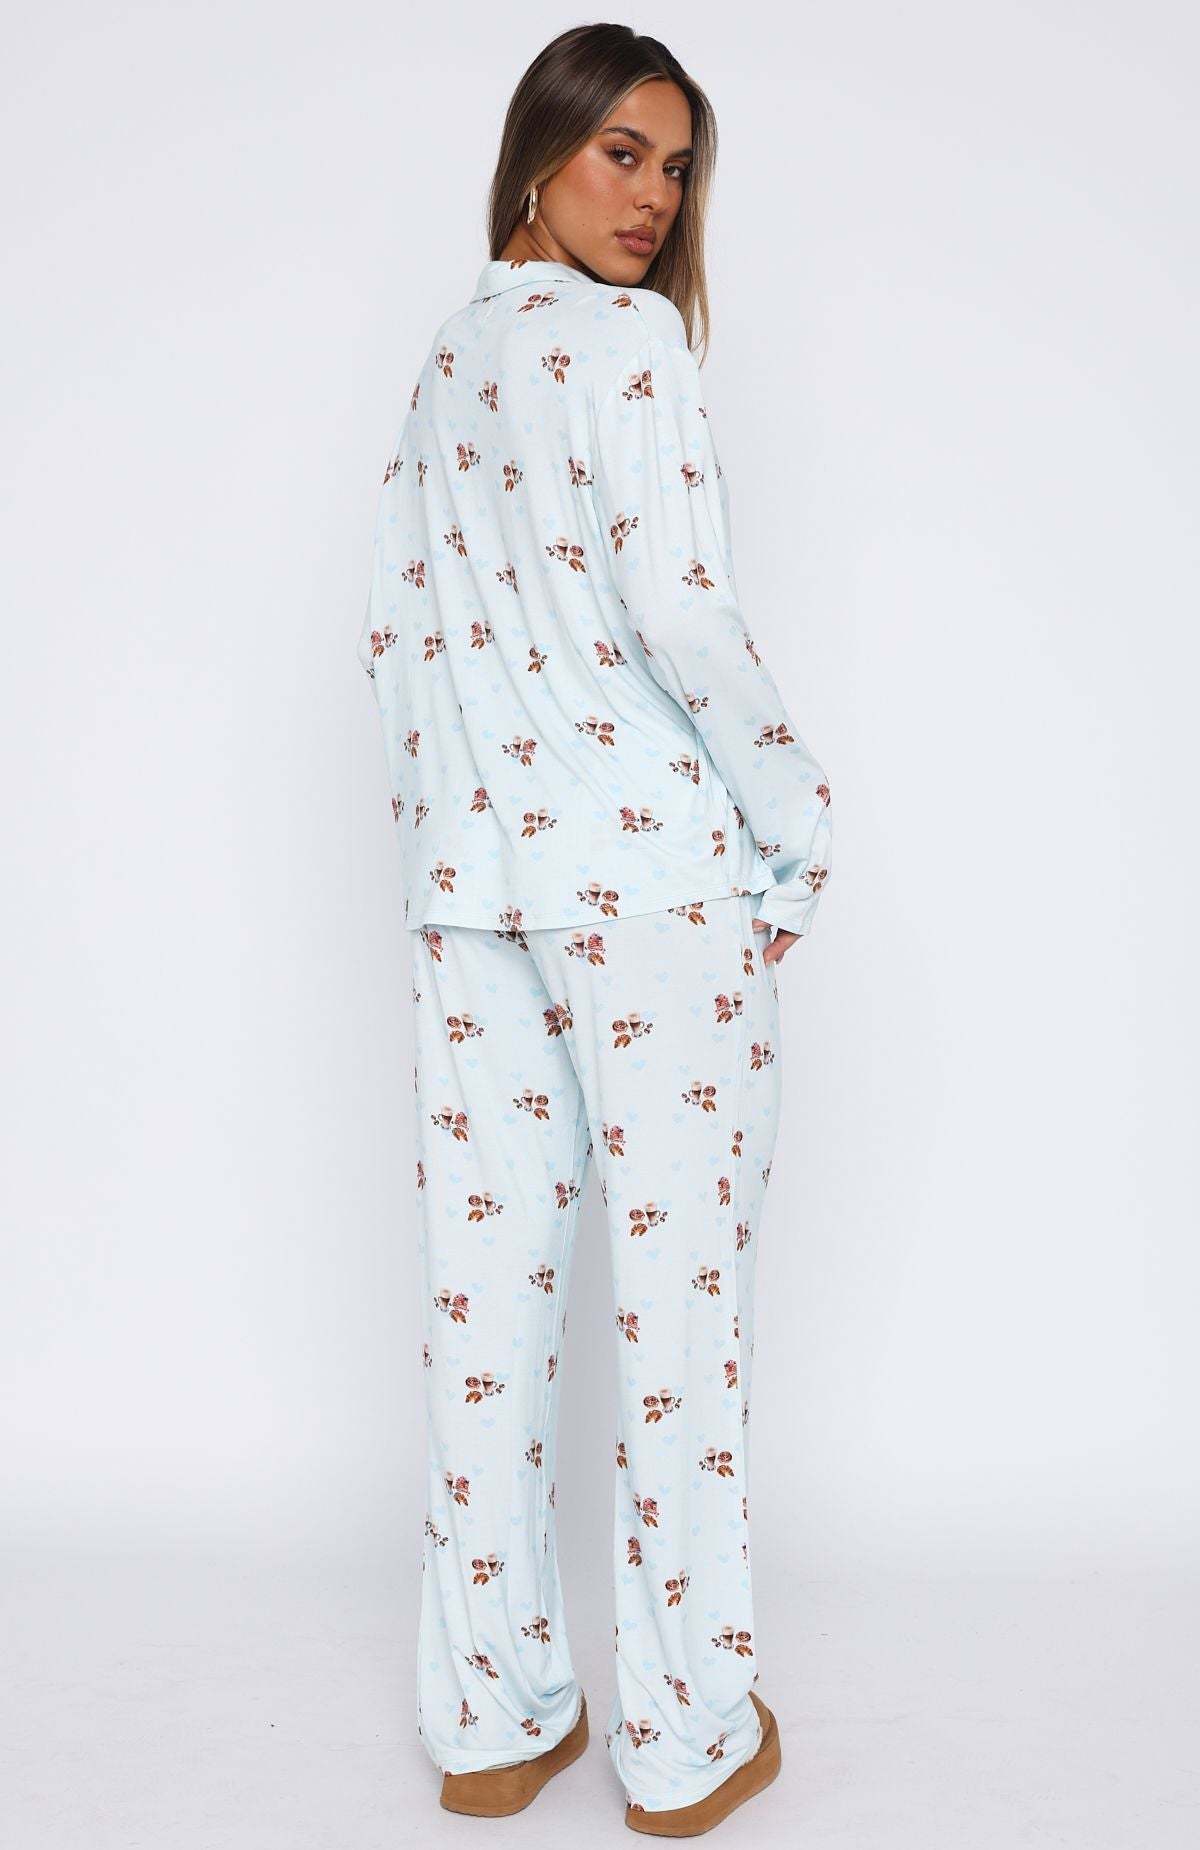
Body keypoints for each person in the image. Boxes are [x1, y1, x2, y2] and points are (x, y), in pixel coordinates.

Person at [357, 22, 833, 1834]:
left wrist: (453, 854)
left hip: (478, 891)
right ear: (540, 151)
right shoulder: (627, 350)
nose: (654, 198)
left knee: (485, 1313)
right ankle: (690, 1732)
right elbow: (684, 616)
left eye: (678, 166)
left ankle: (493, 1716)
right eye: (623, 153)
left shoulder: (450, 357)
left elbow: (397, 640)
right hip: (650, 896)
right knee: (678, 1324)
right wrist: (795, 821)